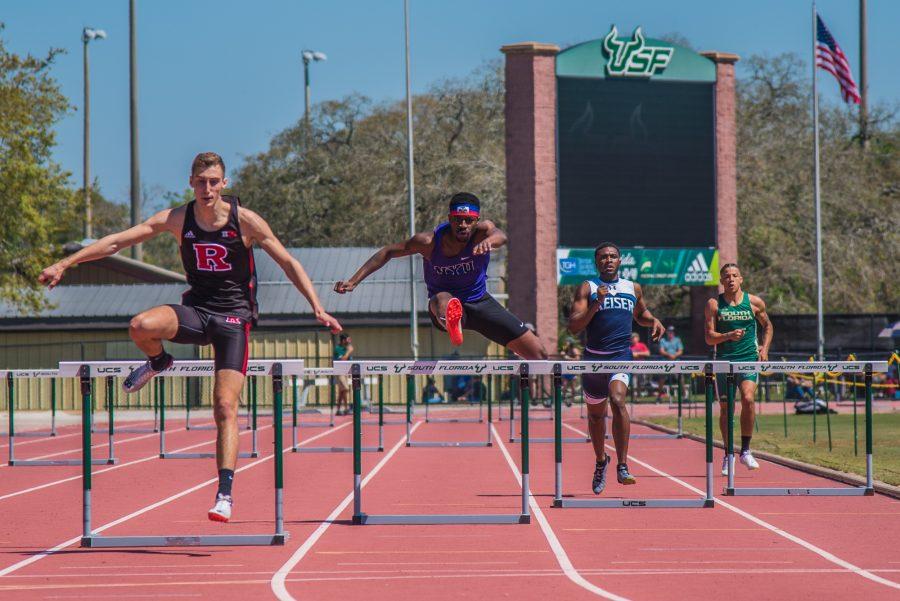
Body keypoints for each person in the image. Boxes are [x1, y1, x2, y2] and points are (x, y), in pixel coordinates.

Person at [38, 152, 341, 523]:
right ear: (191, 183)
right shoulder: (178, 219)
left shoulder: (245, 221)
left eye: (214, 181)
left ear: (224, 184)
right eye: (201, 181)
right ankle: (159, 360)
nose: (207, 188)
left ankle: (225, 494)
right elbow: (117, 242)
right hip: (197, 311)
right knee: (140, 326)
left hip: (233, 320)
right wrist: (64, 264)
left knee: (224, 407)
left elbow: (288, 262)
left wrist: (317, 307)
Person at [334, 192, 547, 360]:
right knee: (444, 298)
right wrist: (353, 281)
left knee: (539, 354)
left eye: (468, 220)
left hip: (480, 304)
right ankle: (451, 323)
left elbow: (501, 235)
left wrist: (489, 242)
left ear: (476, 221)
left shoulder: (483, 233)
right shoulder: (428, 242)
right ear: (450, 219)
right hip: (443, 306)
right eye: (457, 220)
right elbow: (388, 251)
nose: (462, 225)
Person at [567, 242, 665, 494]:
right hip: (593, 359)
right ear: (596, 262)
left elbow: (640, 314)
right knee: (596, 416)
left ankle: (622, 464)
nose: (608, 260)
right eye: (603, 257)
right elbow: (574, 326)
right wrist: (596, 304)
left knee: (618, 399)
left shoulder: (632, 287)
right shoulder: (587, 288)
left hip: (620, 356)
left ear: (620, 261)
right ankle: (601, 461)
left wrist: (653, 321)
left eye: (612, 257)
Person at [704, 263, 773, 476]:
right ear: (722, 281)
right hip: (724, 360)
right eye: (727, 276)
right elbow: (708, 337)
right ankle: (728, 454)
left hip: (748, 359)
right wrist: (727, 336)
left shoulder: (754, 302)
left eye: (735, 275)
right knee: (726, 408)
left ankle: (745, 450)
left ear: (741, 279)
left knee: (748, 398)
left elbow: (768, 326)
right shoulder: (714, 304)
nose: (731, 279)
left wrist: (765, 350)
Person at [657, 325, 684, 399]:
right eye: (669, 331)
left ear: (674, 332)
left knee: (680, 378)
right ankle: (659, 396)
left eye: (672, 331)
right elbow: (661, 351)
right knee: (662, 378)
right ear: (667, 332)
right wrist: (669, 355)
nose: (671, 333)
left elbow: (680, 351)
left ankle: (684, 396)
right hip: (665, 361)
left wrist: (674, 355)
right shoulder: (663, 340)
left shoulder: (677, 340)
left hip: (676, 361)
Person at [333, 333, 354, 415]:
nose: (349, 341)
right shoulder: (338, 349)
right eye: (347, 340)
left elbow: (349, 361)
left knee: (342, 391)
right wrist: (348, 352)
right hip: (339, 372)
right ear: (343, 340)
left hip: (345, 372)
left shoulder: (346, 348)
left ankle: (340, 409)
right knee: (345, 388)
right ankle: (346, 408)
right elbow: (342, 359)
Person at [562, 338, 581, 406]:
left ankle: (572, 401)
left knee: (573, 387)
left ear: (570, 342)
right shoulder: (566, 349)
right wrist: (564, 354)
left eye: (567, 342)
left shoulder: (574, 350)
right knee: (564, 385)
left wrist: (568, 358)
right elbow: (562, 353)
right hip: (566, 370)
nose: (565, 343)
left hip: (573, 371)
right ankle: (563, 399)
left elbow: (577, 360)